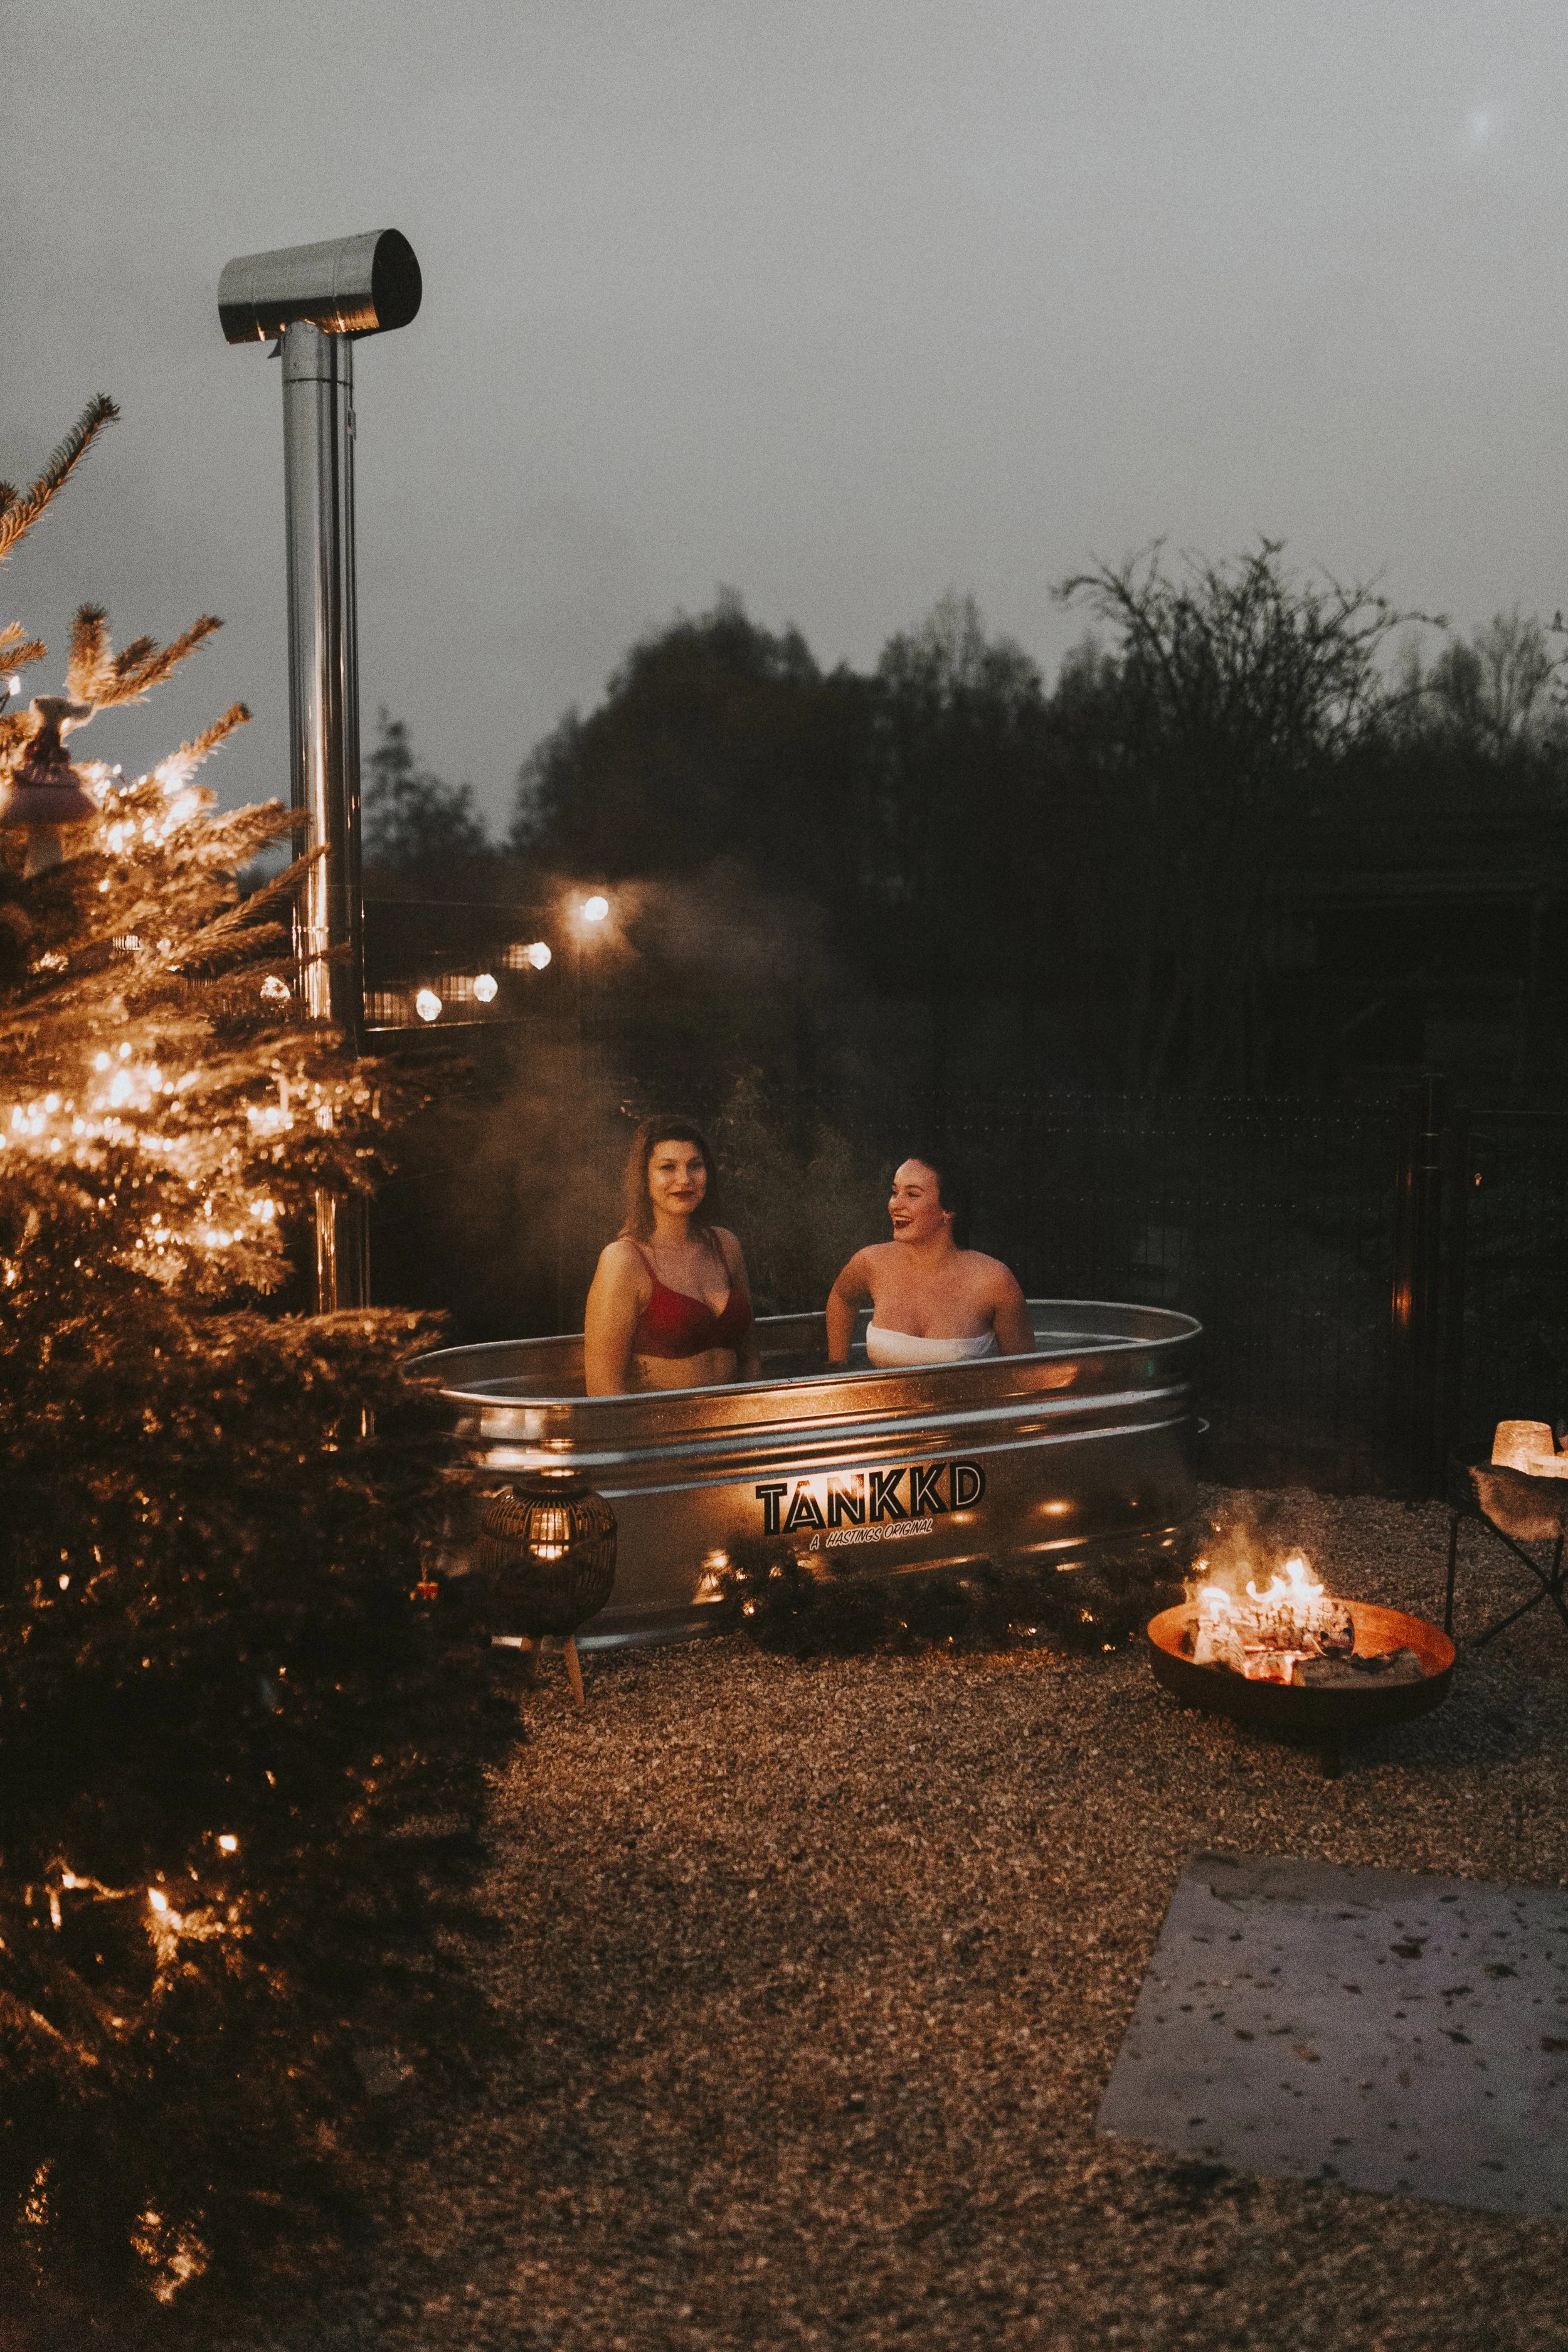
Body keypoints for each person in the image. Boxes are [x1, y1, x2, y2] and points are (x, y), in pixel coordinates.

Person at [583, 1117, 761, 1395]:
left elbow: (751, 1359)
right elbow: (603, 1387)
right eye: (668, 1167)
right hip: (663, 1428)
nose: (685, 1179)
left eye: (695, 1165)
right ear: (644, 1177)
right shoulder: (624, 1260)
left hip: (734, 1421)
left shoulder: (725, 1245)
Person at [825, 1151, 1033, 1369]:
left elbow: (1026, 1374)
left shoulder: (994, 1281)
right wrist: (838, 1365)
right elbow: (842, 1298)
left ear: (948, 1209)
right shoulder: (871, 1262)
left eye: (912, 1195)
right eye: (895, 1192)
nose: (895, 1204)